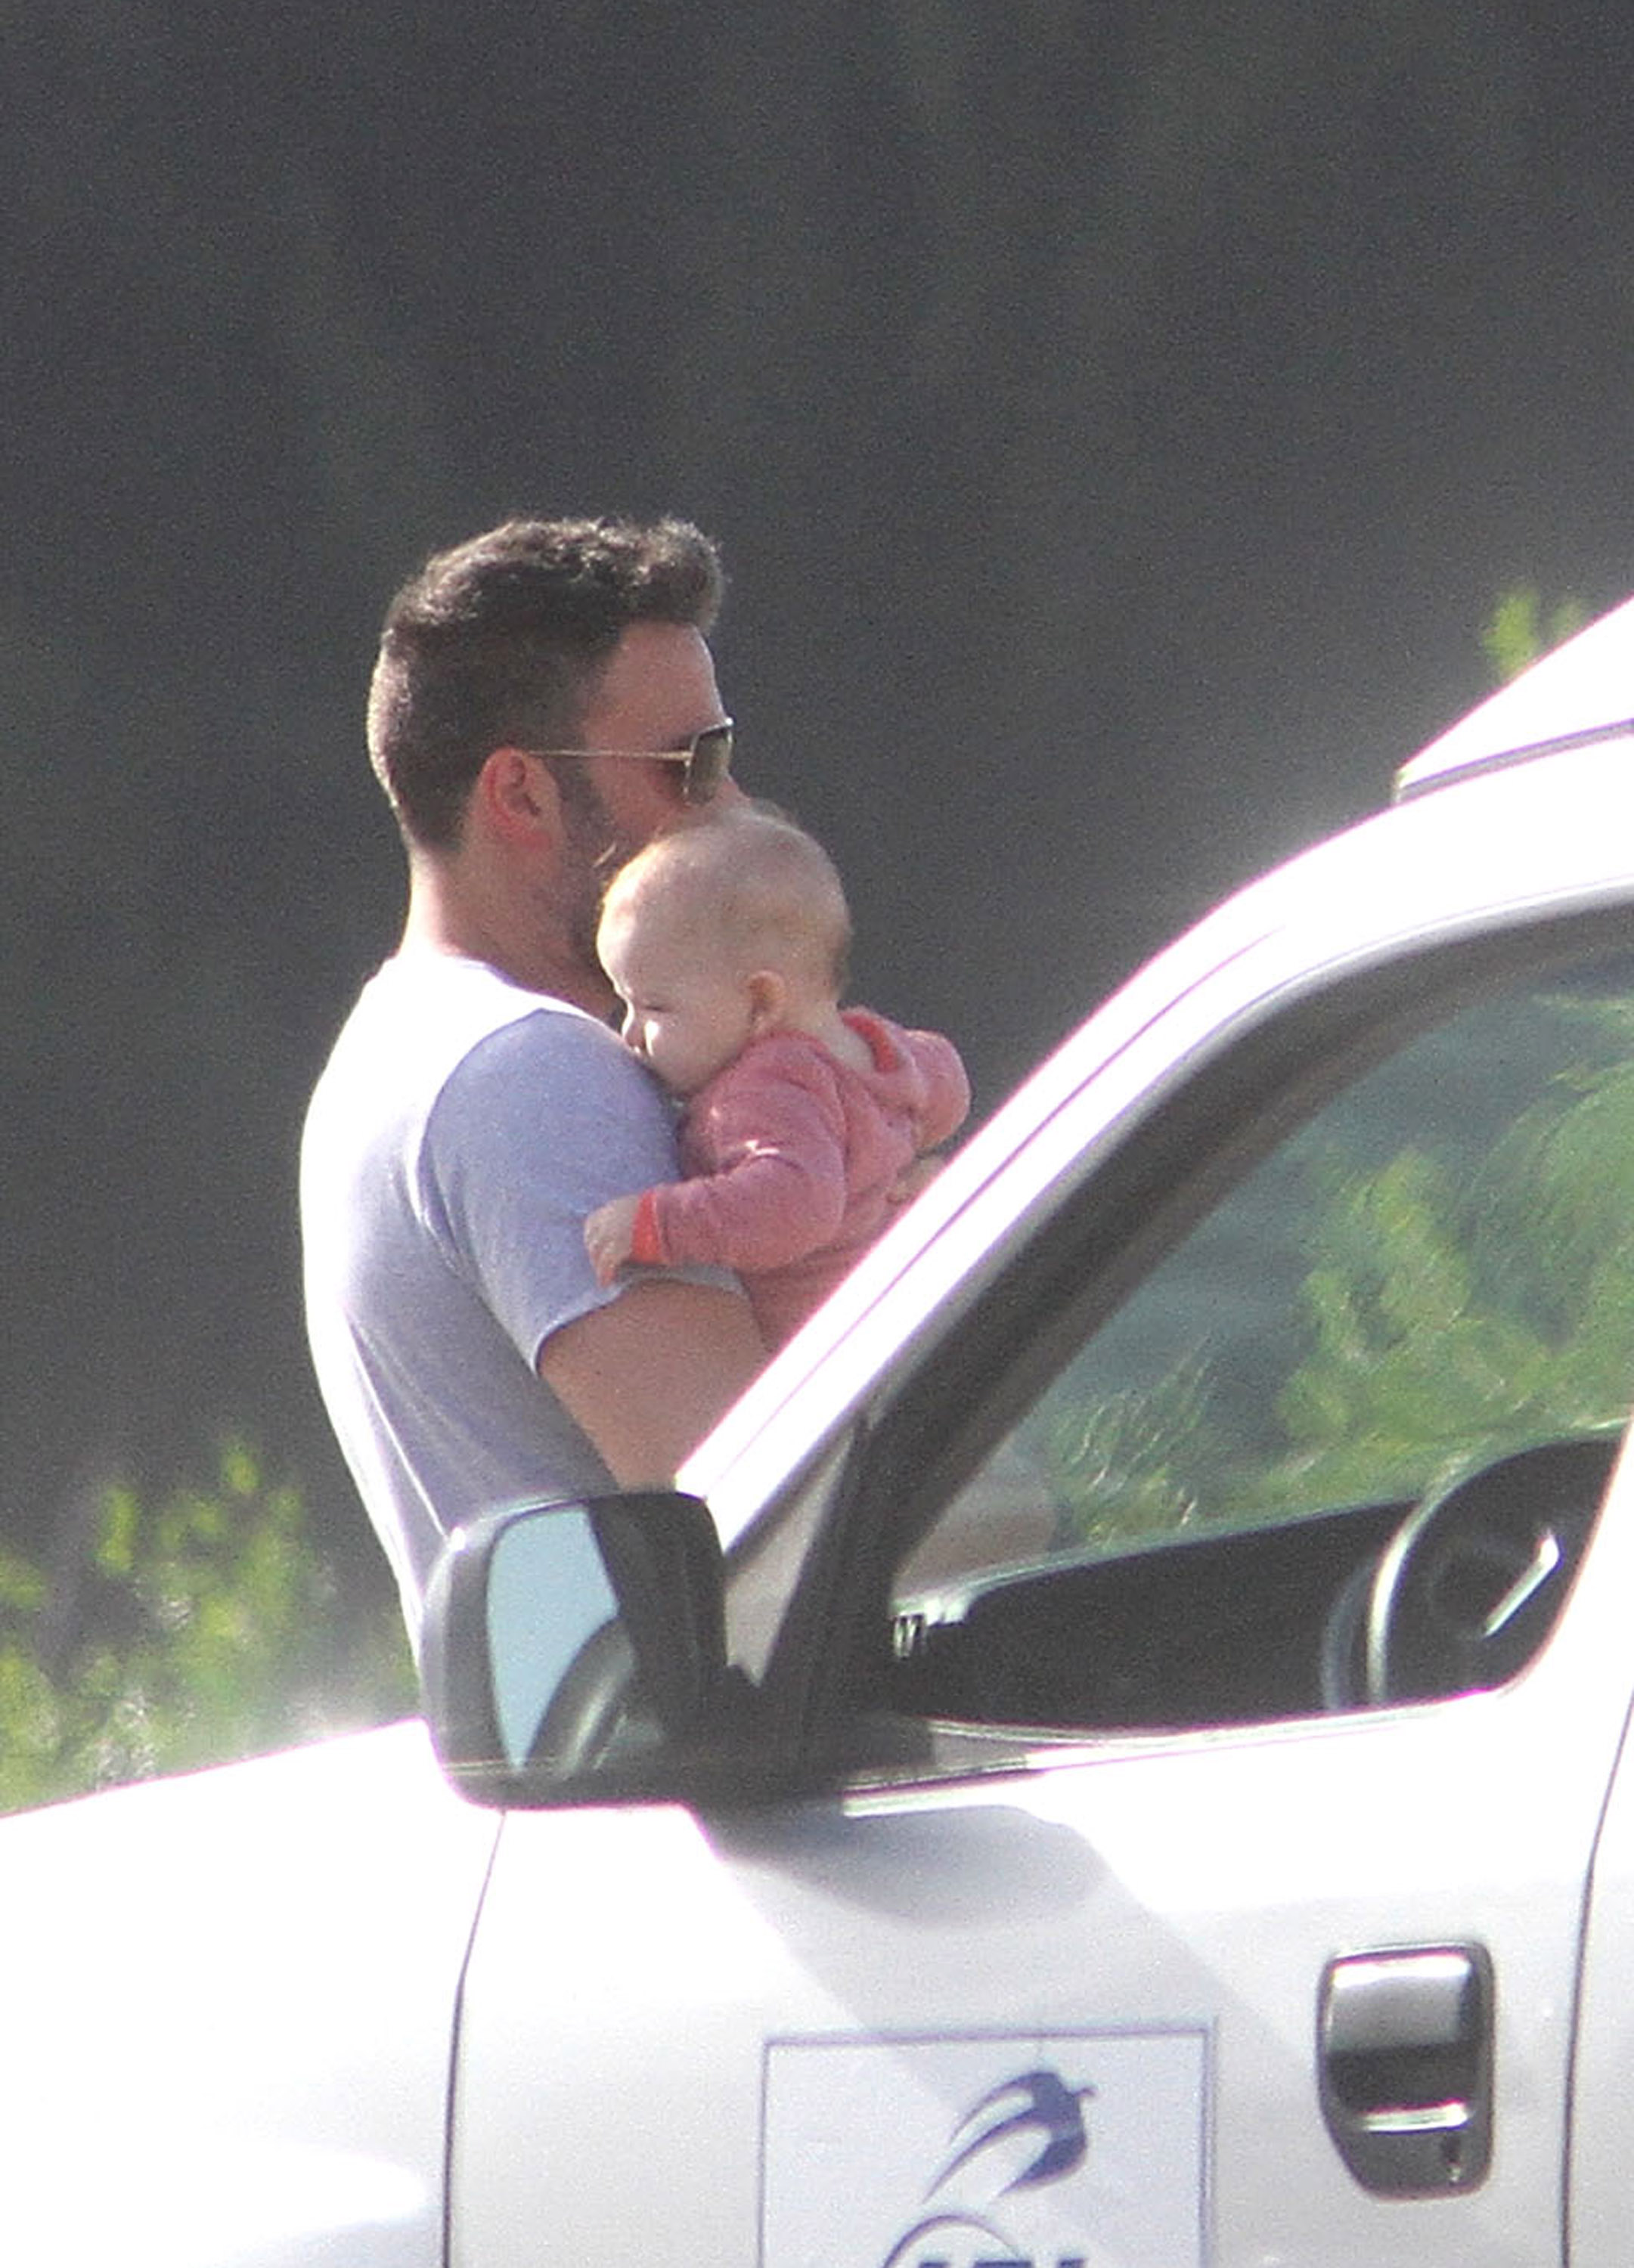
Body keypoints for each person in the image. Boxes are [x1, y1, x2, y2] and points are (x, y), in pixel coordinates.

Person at [300, 516, 765, 1653]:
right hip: (720, 1816)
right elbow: (782, 1506)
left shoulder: (398, 1055)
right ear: (521, 797)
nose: (734, 806)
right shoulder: (530, 1073)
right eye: (689, 765)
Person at [584, 809, 970, 1349]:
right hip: (902, 1314)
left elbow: (794, 1206)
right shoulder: (873, 1046)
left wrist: (658, 1223)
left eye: (653, 1007)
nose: (629, 1034)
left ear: (760, 1001)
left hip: (837, 1349)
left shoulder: (763, 1089)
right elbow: (946, 1083)